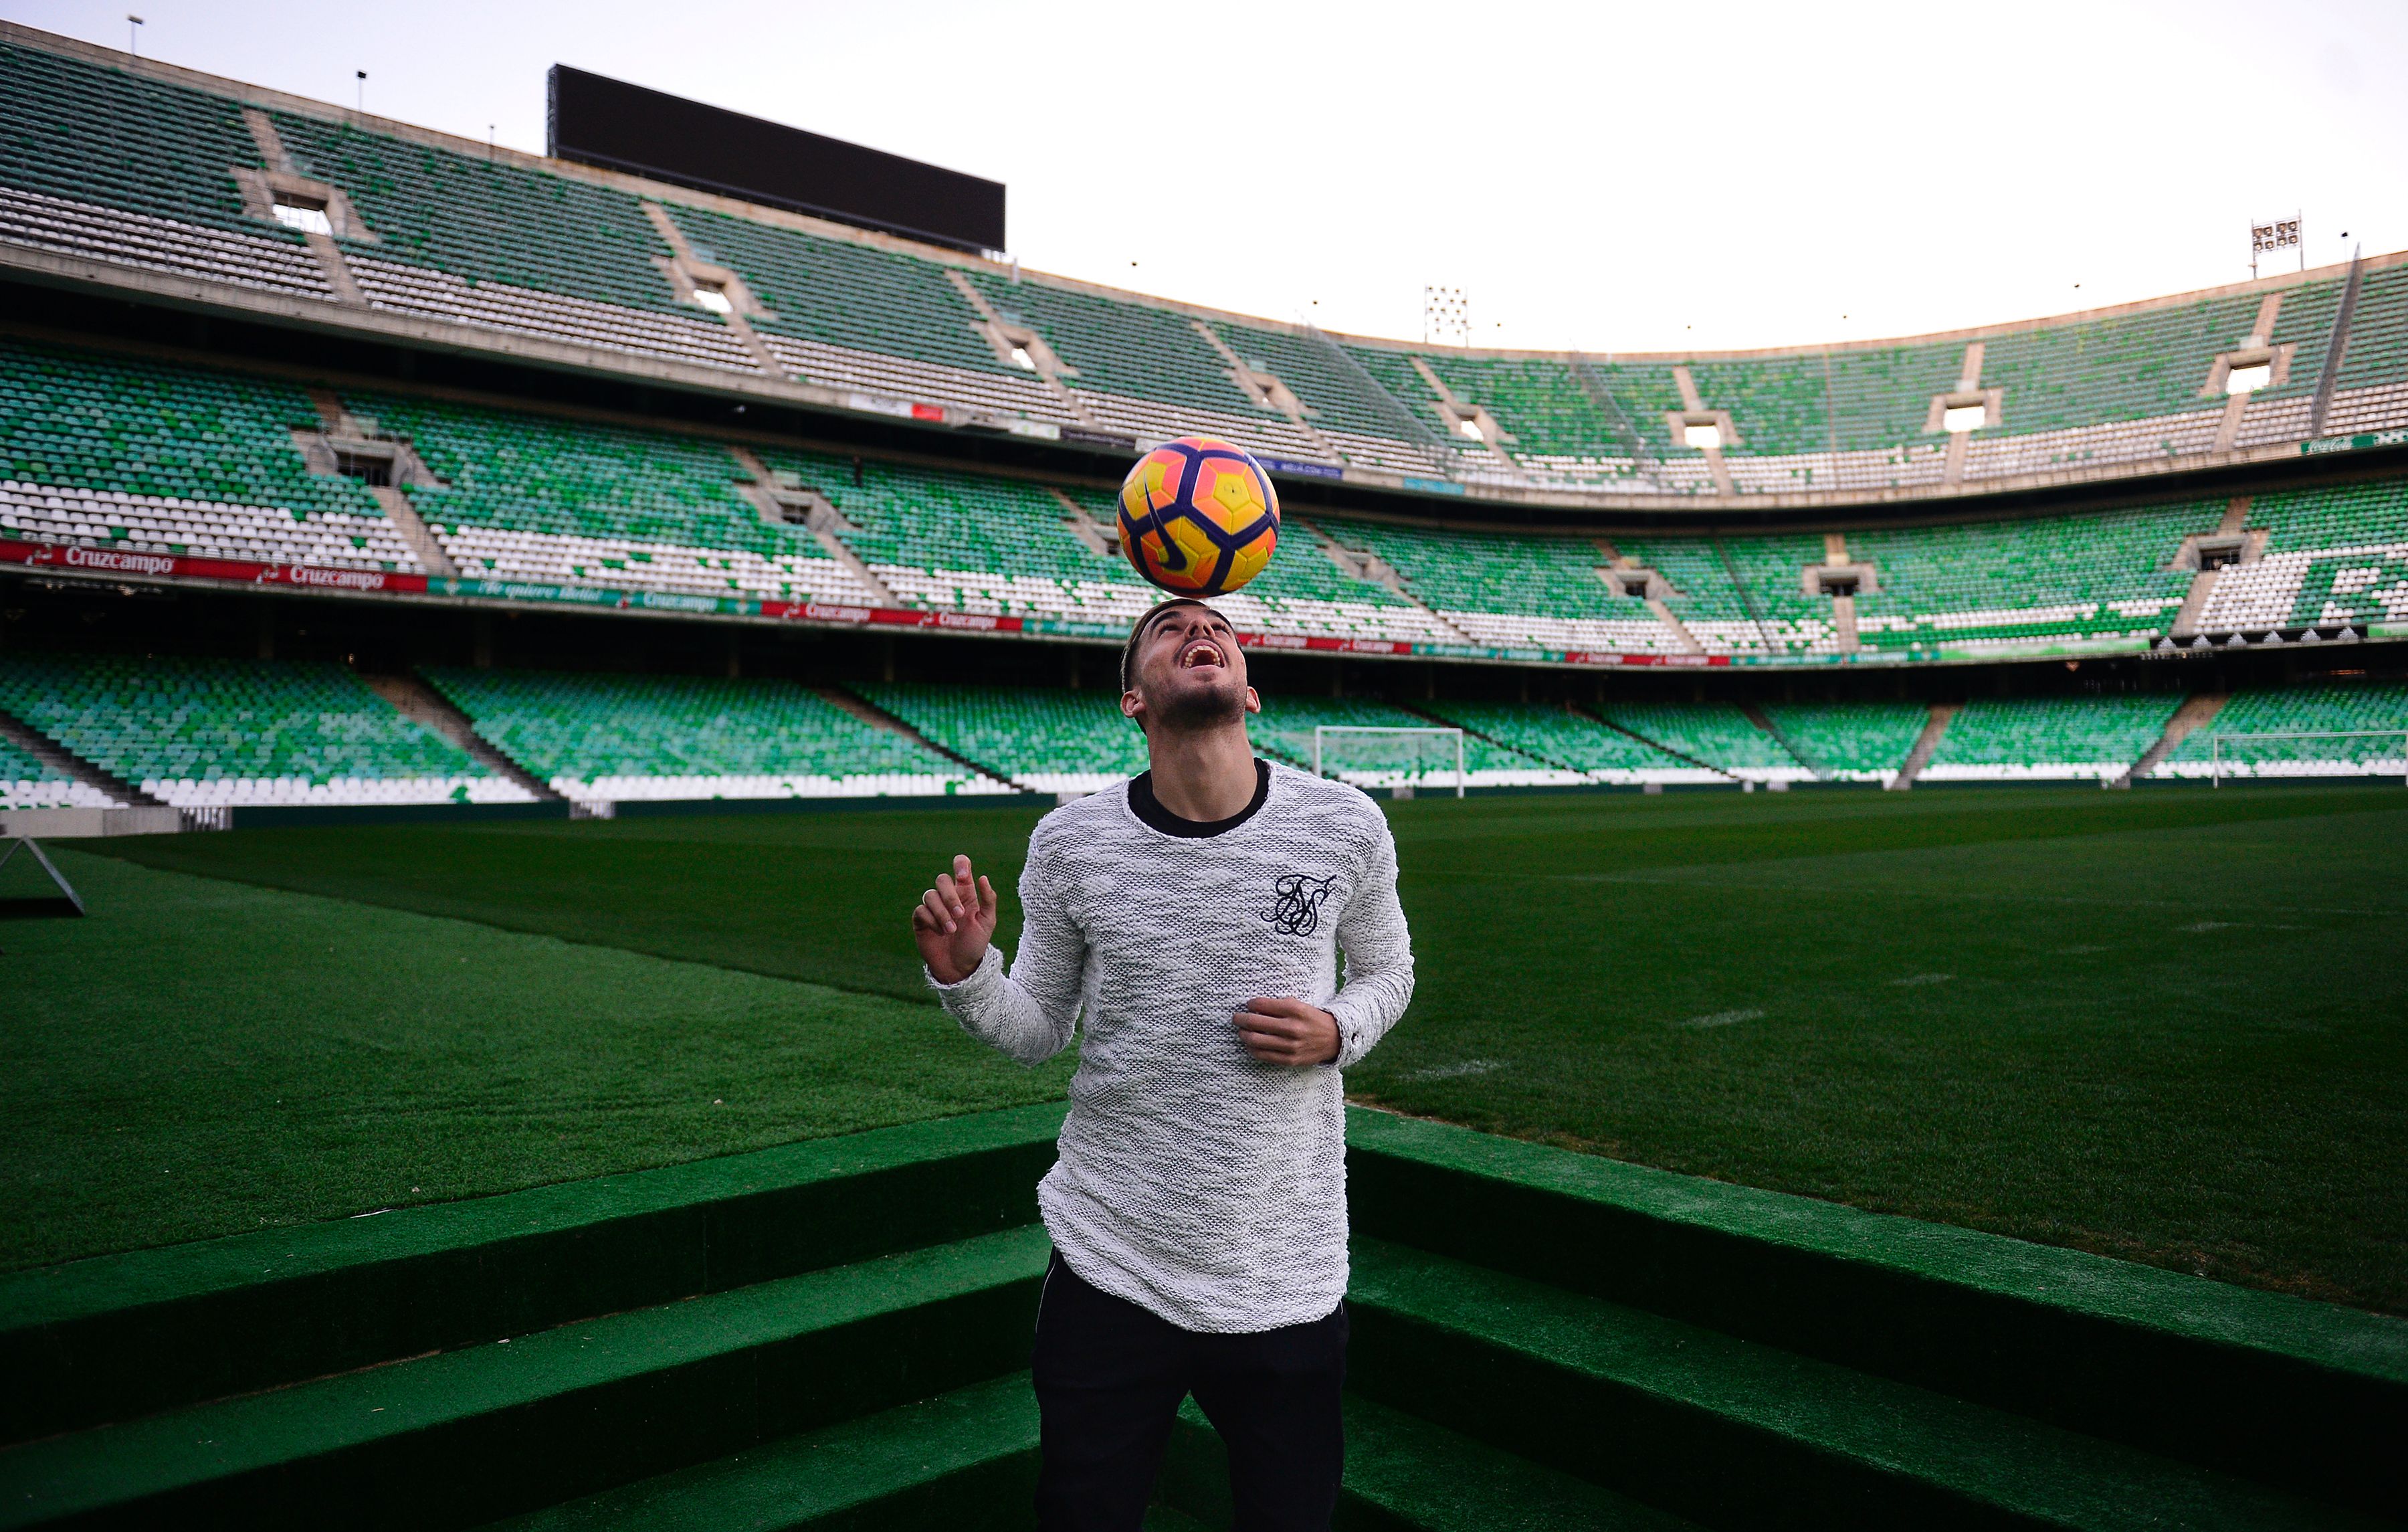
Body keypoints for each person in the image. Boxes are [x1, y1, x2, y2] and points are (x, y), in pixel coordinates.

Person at [910, 595, 1415, 1531]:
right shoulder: (1071, 844)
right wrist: (971, 974)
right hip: (1114, 1261)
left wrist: (1336, 1029)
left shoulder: (1345, 824)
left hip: (1285, 1268)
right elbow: (1038, 1027)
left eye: (1218, 629)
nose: (1200, 633)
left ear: (1250, 692)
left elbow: (1389, 972)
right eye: (1169, 630)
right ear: (1133, 700)